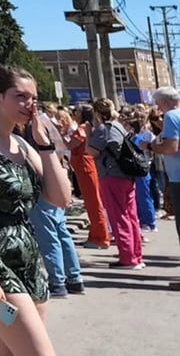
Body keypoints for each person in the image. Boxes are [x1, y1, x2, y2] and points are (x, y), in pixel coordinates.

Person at [0, 67, 71, 356]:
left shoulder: (22, 145)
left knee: (13, 352)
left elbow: (60, 197)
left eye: (33, 98)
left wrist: (43, 145)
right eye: (20, 97)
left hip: (27, 256)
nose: (30, 105)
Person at [27, 105, 84, 297]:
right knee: (61, 232)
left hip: (44, 183)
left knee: (48, 235)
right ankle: (74, 278)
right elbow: (62, 152)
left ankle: (57, 281)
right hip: (57, 179)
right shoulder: (47, 122)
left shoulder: (33, 127)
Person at [86, 97, 144, 269]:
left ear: (96, 113)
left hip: (111, 175)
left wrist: (89, 133)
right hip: (126, 174)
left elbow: (91, 151)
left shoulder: (103, 129)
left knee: (119, 216)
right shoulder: (118, 126)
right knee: (131, 215)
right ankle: (136, 255)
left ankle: (127, 257)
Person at [143, 87, 180, 290]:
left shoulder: (171, 117)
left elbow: (170, 147)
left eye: (158, 103)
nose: (157, 107)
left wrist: (150, 146)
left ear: (164, 102)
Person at [67, 103, 112, 249]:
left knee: (94, 202)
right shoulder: (83, 128)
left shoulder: (81, 129)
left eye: (77, 111)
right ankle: (96, 234)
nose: (74, 113)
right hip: (83, 167)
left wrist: (57, 134)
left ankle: (100, 237)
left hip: (85, 167)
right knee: (91, 202)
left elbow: (71, 145)